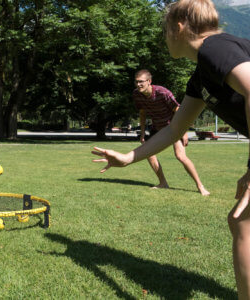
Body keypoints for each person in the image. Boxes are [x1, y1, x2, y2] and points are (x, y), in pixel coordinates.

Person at [92, 0, 250, 297]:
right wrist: (128, 157)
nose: (164, 37)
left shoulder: (215, 49)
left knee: (242, 223)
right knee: (241, 223)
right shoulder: (202, 75)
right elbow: (176, 128)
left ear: (178, 26)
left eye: (165, 29)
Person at [133, 69, 209, 195]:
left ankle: (200, 186)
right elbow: (142, 113)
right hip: (157, 127)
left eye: (141, 82)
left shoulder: (162, 92)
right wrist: (142, 133)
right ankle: (163, 183)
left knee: (180, 156)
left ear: (149, 81)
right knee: (149, 154)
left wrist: (183, 131)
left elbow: (178, 110)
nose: (138, 85)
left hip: (173, 127)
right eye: (136, 82)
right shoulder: (136, 94)